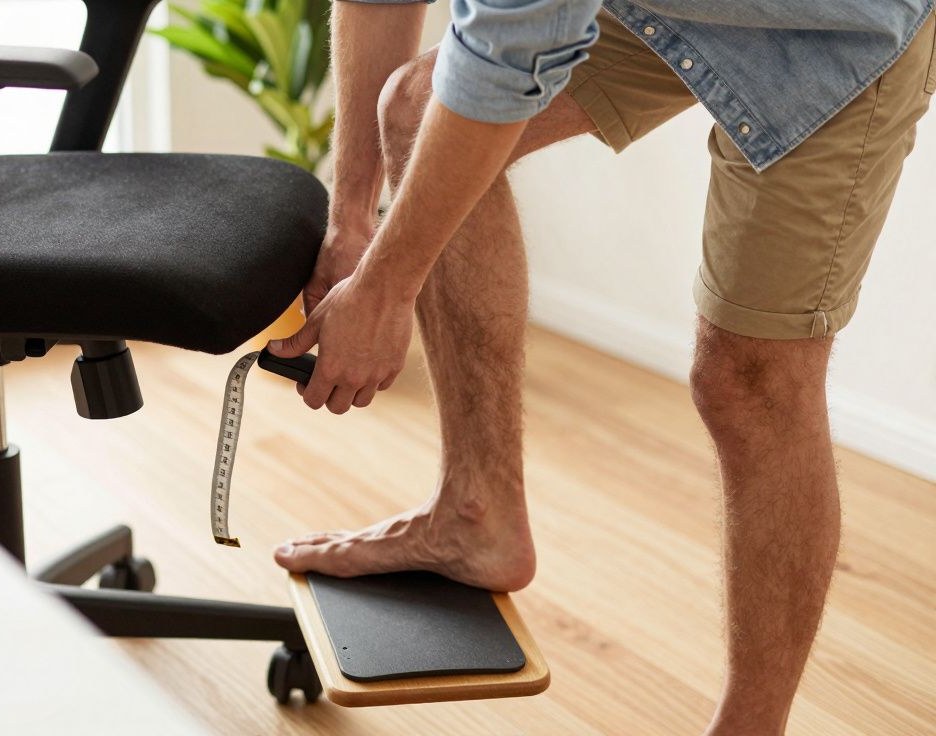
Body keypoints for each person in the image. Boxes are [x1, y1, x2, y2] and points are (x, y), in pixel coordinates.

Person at [266, 0, 935, 732]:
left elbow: (508, 55)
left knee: (751, 383)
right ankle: (476, 514)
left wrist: (388, 286)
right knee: (420, 109)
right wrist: (351, 220)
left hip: (838, 29)